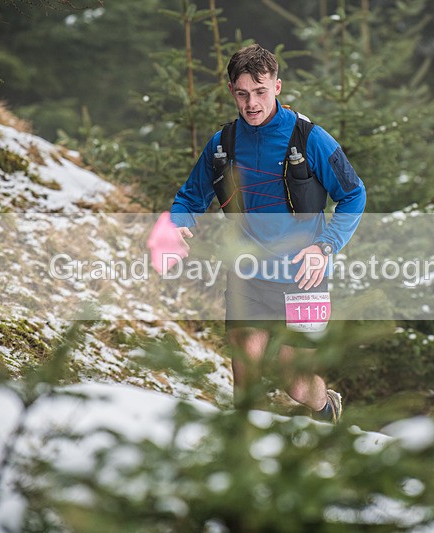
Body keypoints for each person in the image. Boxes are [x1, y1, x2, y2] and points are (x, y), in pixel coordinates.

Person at [169, 44, 366, 423]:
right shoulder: (222, 144)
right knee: (247, 377)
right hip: (248, 275)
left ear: (277, 86)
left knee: (297, 382)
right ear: (232, 91)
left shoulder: (310, 138)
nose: (251, 104)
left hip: (305, 277)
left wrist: (325, 247)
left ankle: (327, 410)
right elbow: (189, 198)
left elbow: (354, 194)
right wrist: (178, 226)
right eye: (242, 94)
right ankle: (247, 462)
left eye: (260, 92)